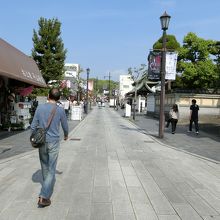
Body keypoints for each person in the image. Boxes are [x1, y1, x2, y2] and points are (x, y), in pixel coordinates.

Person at [31, 88, 69, 208]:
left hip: (41, 142)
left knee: (44, 166)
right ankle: (44, 196)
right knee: (52, 169)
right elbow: (65, 126)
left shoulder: (40, 108)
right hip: (53, 142)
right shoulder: (60, 110)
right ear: (58, 99)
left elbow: (33, 126)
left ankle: (46, 188)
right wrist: (66, 135)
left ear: (48, 96)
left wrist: (35, 137)